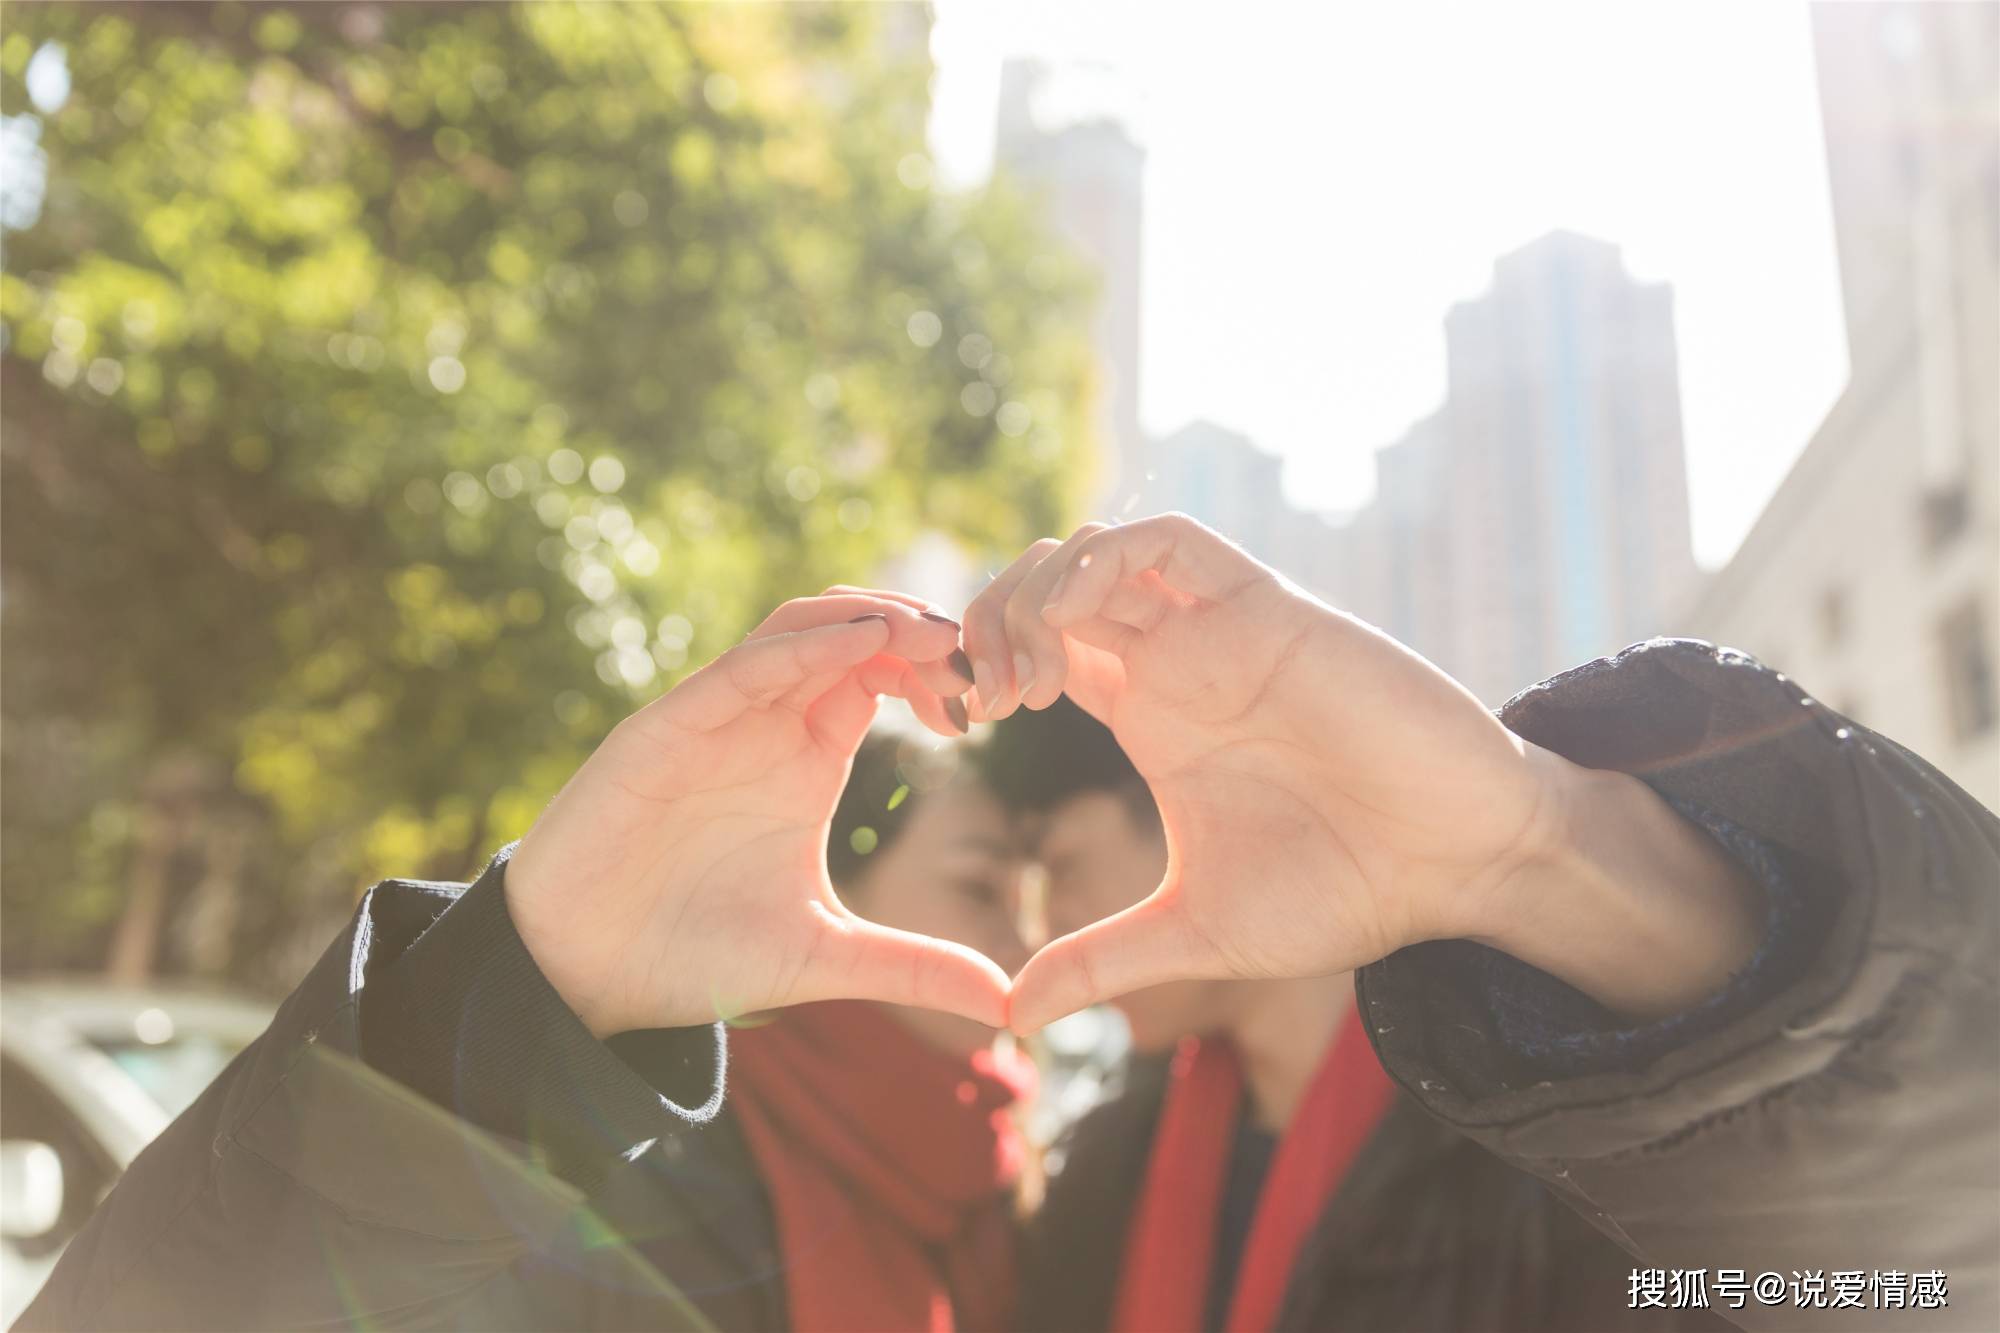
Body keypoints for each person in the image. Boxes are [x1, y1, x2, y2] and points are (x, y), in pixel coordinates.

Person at [20, 518, 2000, 1332]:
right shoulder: (1077, 1184)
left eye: (1048, 877)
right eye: (995, 878)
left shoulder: (1564, 1143)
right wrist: (507, 1017)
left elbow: (1929, 1270)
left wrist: (1552, 867)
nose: (1032, 939)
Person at [959, 515, 1999, 1331]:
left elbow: (1908, 1280)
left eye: (1060, 864)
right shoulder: (1098, 1169)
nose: (1043, 920)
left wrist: (1533, 847)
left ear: (1177, 801)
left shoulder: (1564, 1134)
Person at [17, 590, 1027, 1331]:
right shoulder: (610, 1162)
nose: (1024, 940)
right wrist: (525, 1000)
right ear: (820, 875)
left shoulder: (1007, 1197)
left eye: (1038, 899)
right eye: (980, 887)